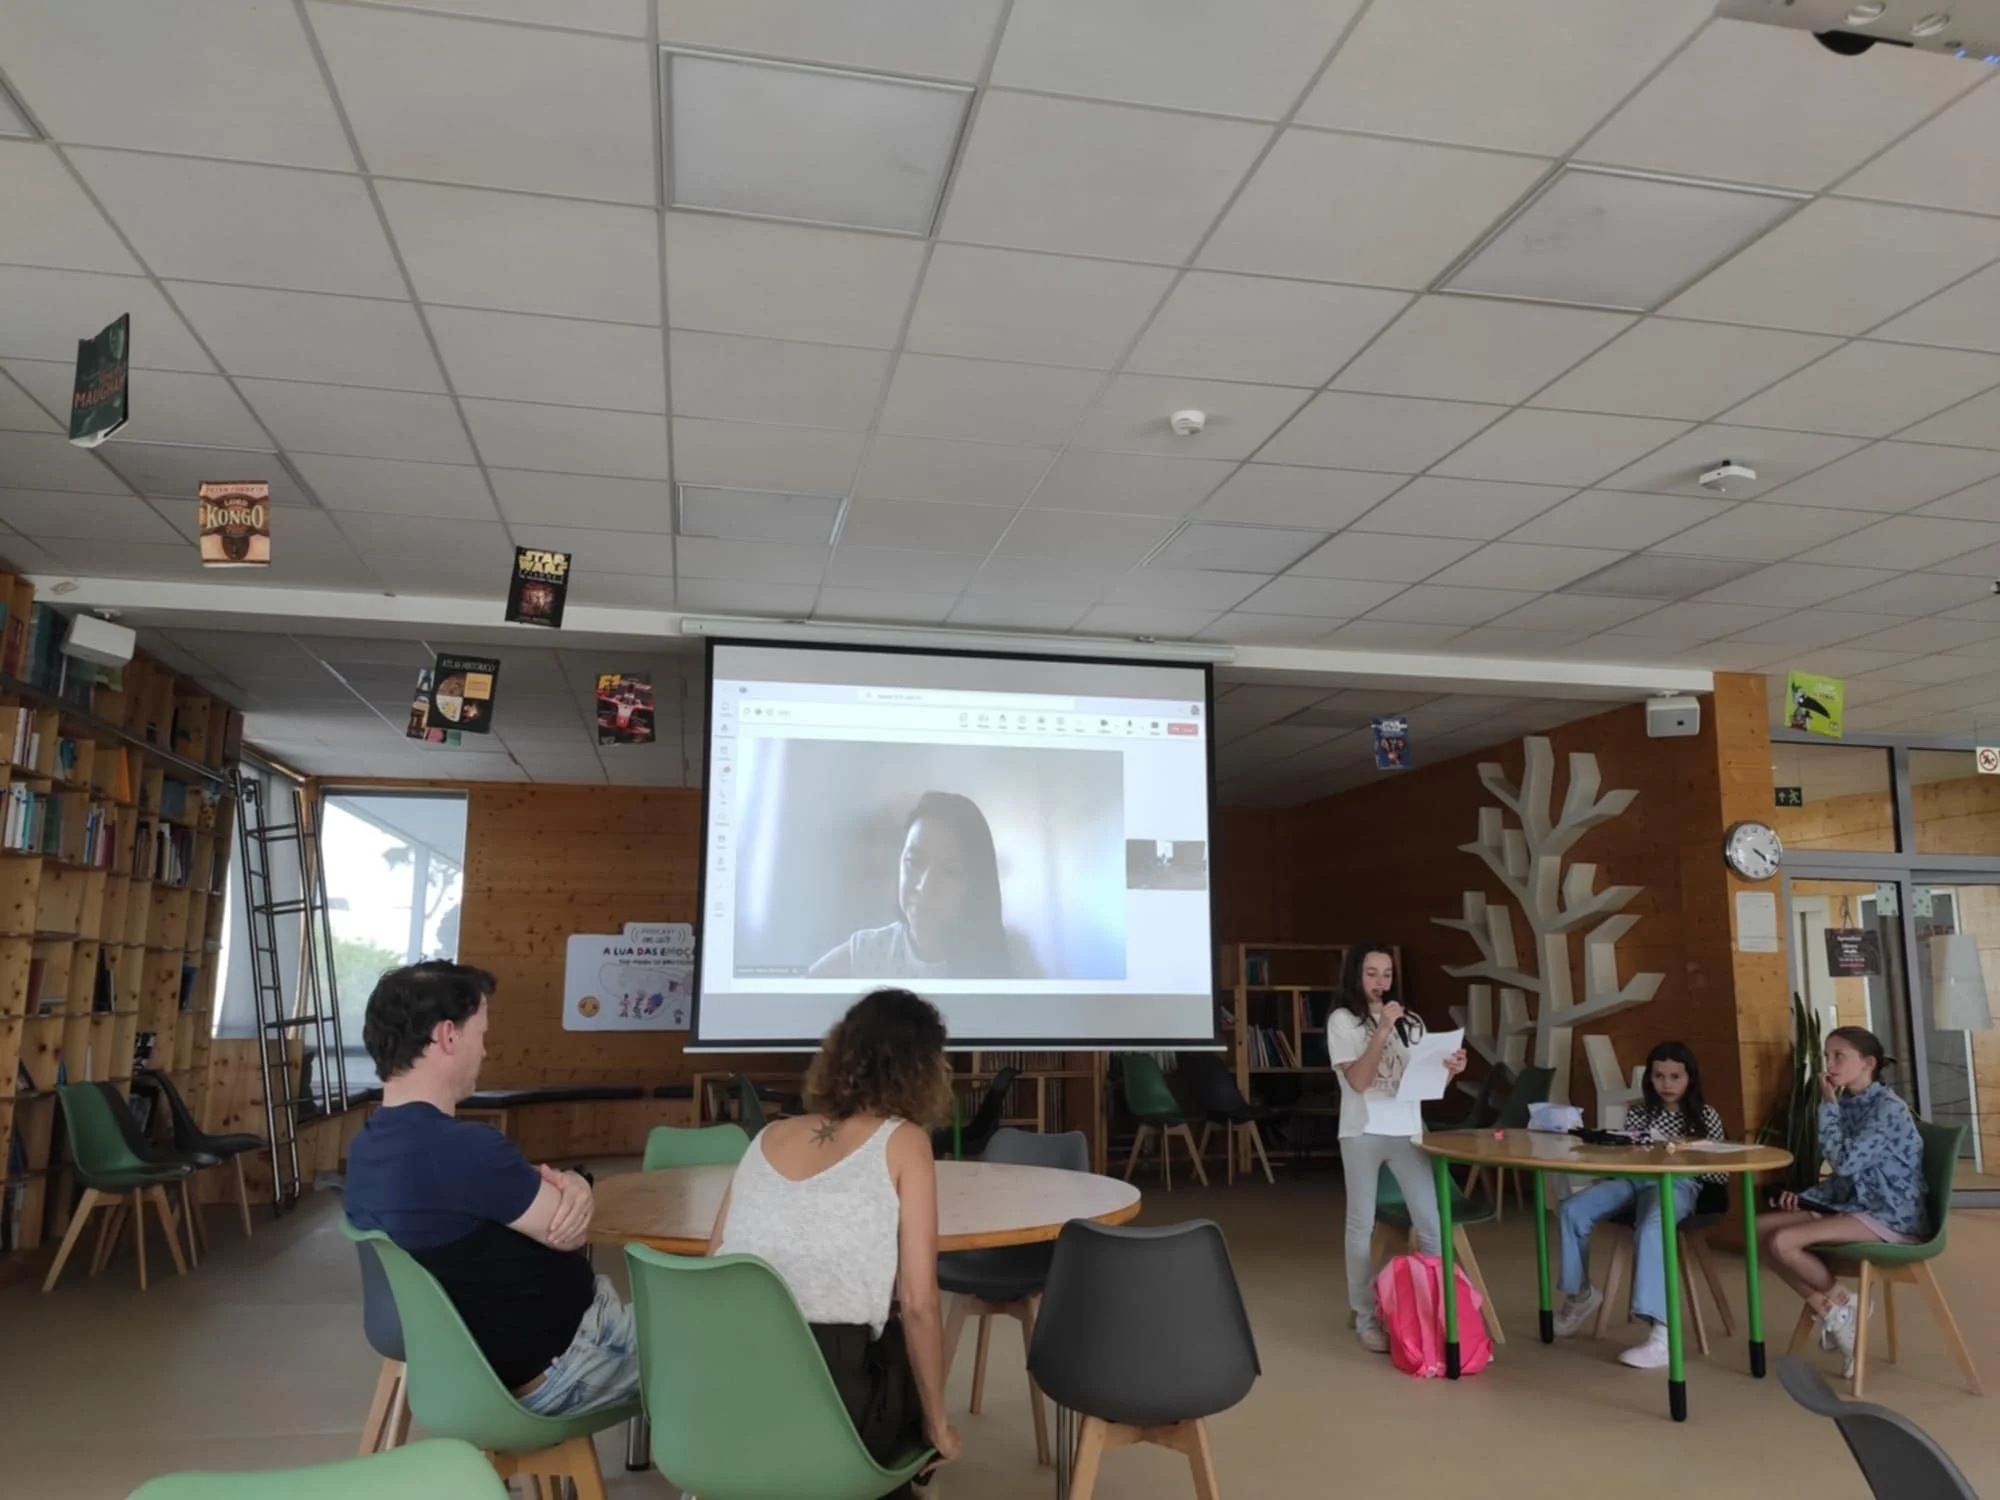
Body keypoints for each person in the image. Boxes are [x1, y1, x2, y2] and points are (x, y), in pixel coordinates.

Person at [344, 962, 638, 1416]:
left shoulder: (366, 1147)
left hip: (463, 1371)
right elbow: (571, 1231)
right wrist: (577, 1183)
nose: (484, 1051)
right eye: (480, 1034)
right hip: (569, 1365)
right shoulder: (465, 1149)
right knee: (729, 1342)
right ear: (447, 1036)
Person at [708, 988, 959, 1494]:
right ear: (924, 1069)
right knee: (897, 1350)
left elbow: (712, 1266)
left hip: (732, 1387)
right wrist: (938, 1425)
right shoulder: (905, 1142)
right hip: (833, 1397)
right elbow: (918, 1303)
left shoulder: (766, 1138)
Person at [1755, 1025, 1926, 1376]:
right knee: (1757, 1229)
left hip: (1891, 1214)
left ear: (1868, 1063)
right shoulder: (1850, 1103)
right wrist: (1805, 1199)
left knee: (1784, 1242)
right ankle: (1838, 1310)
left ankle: (1845, 1307)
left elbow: (1845, 1161)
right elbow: (1844, 1177)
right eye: (1827, 1056)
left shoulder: (1887, 1110)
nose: (1829, 1064)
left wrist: (1828, 1105)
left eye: (1839, 1056)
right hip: (1855, 1206)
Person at [1551, 1041, 1728, 1368]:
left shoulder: (1706, 1116)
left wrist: (1686, 1154)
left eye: (1675, 1076)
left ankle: (1661, 1333)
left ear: (1690, 1078)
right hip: (1633, 1179)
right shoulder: (1638, 1112)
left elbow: (1720, 1174)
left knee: (1651, 1226)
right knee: (1573, 1208)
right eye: (1659, 1076)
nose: (1667, 1084)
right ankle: (1580, 1294)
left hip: (1679, 1184)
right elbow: (1628, 1155)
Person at [1327, 943, 1467, 1352]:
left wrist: (1450, 1072)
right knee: (1360, 1225)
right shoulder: (1343, 1021)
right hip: (1362, 1130)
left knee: (1429, 1221)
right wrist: (1382, 1031)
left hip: (1407, 1130)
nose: (1380, 983)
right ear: (1356, 976)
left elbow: (1426, 1087)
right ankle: (1366, 1317)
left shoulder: (1413, 1021)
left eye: (1386, 974)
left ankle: (1440, 1312)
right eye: (1371, 974)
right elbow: (1358, 1082)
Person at [810, 792, 1011, 981]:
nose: (925, 887)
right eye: (914, 862)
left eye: (949, 871)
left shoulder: (1008, 959)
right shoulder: (865, 954)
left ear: (975, 885)